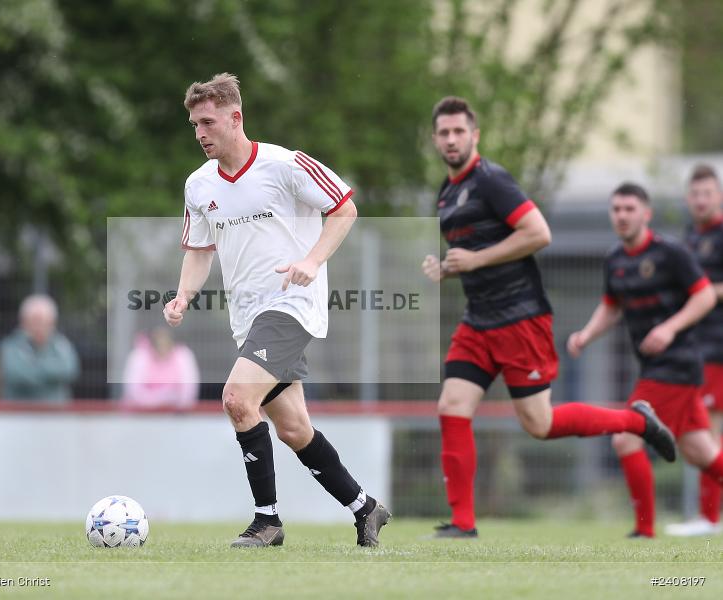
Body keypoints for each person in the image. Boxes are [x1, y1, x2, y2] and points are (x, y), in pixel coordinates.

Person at [421, 97, 676, 538]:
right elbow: (475, 251)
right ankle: (463, 524)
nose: (451, 139)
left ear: (474, 135)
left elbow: (539, 232)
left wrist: (477, 260)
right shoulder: (446, 192)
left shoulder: (492, 180)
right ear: (434, 139)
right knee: (452, 406)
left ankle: (636, 421)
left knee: (540, 424)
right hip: (478, 320)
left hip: (520, 318)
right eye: (443, 132)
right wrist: (447, 266)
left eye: (459, 131)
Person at [164, 73, 390, 548]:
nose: (200, 133)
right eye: (194, 125)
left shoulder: (284, 165)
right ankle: (364, 508)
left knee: (236, 399)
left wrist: (311, 261)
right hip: (247, 317)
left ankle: (267, 521)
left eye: (208, 122)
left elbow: (344, 208)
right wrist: (184, 294)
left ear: (235, 117)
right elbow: (200, 249)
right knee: (292, 428)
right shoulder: (198, 184)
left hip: (291, 306)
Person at [568, 182, 723, 538]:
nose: (622, 216)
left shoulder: (671, 253)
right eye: (616, 209)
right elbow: (612, 306)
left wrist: (669, 328)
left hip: (677, 365)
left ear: (646, 214)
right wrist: (586, 335)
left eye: (629, 209)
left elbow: (704, 298)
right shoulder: (615, 259)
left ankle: (644, 530)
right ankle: (649, 527)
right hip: (655, 366)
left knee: (625, 438)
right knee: (702, 452)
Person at [666, 165, 723, 536]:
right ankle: (709, 517)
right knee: (703, 431)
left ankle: (709, 518)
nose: (701, 200)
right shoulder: (688, 236)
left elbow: (704, 291)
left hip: (718, 346)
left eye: (708, 193)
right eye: (695, 194)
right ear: (688, 199)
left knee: (707, 431)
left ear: (717, 196)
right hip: (695, 346)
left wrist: (702, 296)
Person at [0, 294, 80, 402]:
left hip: (57, 414)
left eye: (43, 321)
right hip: (18, 415)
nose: (39, 327)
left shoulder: (62, 345)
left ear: (52, 322)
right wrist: (51, 375)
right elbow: (14, 374)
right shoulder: (11, 346)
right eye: (35, 321)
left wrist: (33, 366)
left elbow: (70, 371)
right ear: (24, 322)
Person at [121, 327, 200, 410]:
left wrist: (172, 400)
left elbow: (189, 392)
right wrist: (162, 398)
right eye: (158, 344)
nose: (162, 347)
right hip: (141, 414)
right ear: (151, 344)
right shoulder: (139, 356)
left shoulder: (183, 355)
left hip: (175, 415)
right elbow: (133, 392)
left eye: (166, 343)